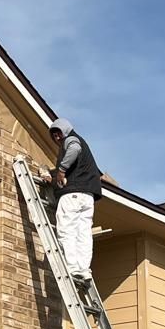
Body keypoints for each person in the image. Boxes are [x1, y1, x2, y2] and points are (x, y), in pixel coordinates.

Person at [48, 117, 102, 284]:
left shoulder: (71, 139)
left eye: (58, 134)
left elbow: (74, 149)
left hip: (73, 195)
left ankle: (72, 267)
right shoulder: (84, 147)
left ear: (64, 130)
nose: (57, 138)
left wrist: (61, 170)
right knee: (83, 233)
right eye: (54, 136)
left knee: (66, 230)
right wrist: (53, 177)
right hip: (88, 196)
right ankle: (84, 269)